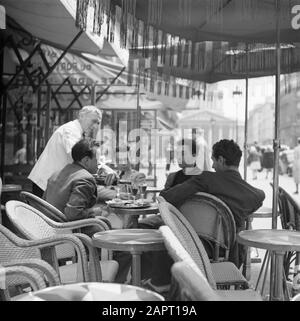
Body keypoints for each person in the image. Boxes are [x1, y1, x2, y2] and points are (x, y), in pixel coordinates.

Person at [160, 139, 265, 267]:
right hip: (227, 252)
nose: (213, 166)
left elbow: (166, 197)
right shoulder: (254, 195)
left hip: (192, 244)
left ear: (221, 160)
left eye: (213, 161)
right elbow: (261, 195)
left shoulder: (205, 179)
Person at [28, 105, 115, 197]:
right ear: (81, 116)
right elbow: (80, 155)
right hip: (44, 182)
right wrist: (103, 167)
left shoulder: (79, 133)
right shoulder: (70, 130)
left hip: (53, 184)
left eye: (98, 123)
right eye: (93, 121)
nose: (95, 126)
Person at [43, 139, 103, 236]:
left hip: (45, 230)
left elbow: (43, 204)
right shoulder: (85, 178)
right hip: (67, 233)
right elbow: (73, 214)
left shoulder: (56, 173)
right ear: (86, 160)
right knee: (104, 229)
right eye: (97, 159)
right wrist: (94, 212)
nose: (99, 163)